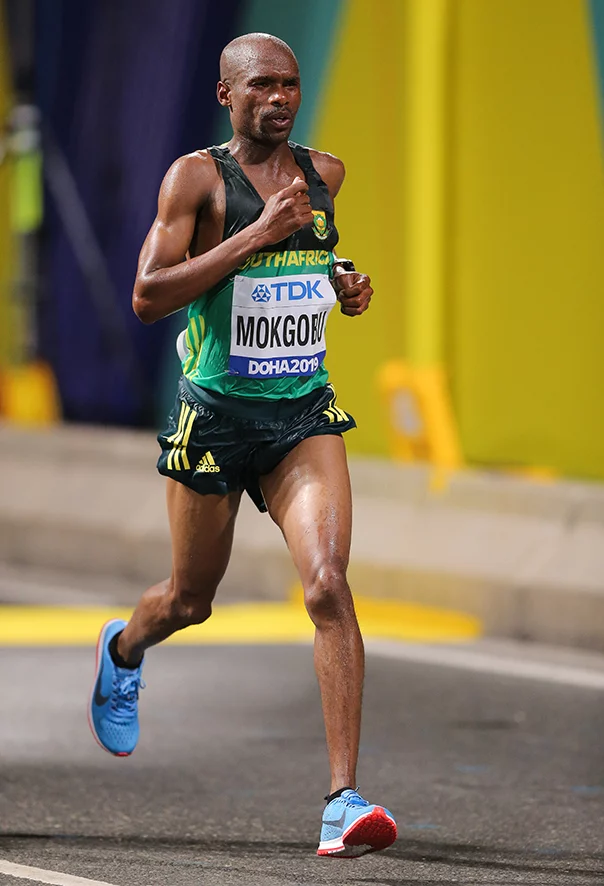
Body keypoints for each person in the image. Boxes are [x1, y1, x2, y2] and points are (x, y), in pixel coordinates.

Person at [88, 32, 397, 858]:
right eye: (261, 85)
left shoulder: (324, 174)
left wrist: (342, 282)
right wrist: (254, 235)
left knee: (328, 585)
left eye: (289, 84)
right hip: (216, 418)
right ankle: (124, 648)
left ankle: (342, 800)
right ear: (226, 95)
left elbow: (311, 256)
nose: (280, 97)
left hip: (301, 416)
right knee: (190, 600)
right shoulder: (195, 179)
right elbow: (148, 295)